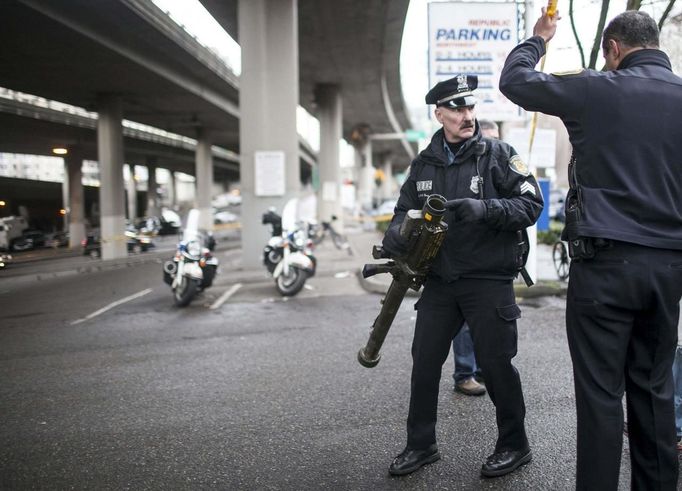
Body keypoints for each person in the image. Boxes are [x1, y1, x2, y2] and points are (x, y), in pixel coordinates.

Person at [500, 9, 682, 490]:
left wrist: (538, 40)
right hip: (668, 268)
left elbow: (515, 81)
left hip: (604, 265)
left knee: (602, 397)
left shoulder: (598, 87)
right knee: (656, 391)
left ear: (614, 49)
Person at [382, 74, 543, 478]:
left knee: (496, 365)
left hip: (488, 280)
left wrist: (485, 208)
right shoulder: (424, 163)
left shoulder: (498, 154)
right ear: (439, 114)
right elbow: (404, 211)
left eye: (469, 107)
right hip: (440, 280)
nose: (466, 115)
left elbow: (530, 205)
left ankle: (514, 444)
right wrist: (395, 236)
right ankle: (421, 444)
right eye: (456, 108)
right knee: (424, 362)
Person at [450, 120, 500, 397]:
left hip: (493, 259)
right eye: (488, 139)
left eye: (496, 140)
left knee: (490, 321)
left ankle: (482, 369)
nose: (491, 146)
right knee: (466, 323)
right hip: (467, 259)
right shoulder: (465, 169)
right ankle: (465, 373)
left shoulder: (501, 166)